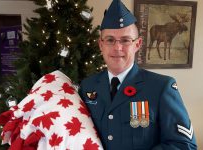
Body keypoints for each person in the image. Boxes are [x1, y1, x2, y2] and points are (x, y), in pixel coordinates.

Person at [79, 0, 197, 149]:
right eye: (110, 40)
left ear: (138, 44)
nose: (117, 47)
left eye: (125, 40)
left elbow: (184, 145)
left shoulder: (161, 87)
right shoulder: (87, 87)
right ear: (101, 44)